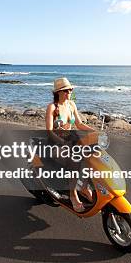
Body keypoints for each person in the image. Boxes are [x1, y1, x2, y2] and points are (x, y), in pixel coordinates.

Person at [45, 77, 97, 212]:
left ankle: (84, 187)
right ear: (58, 92)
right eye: (66, 90)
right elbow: (50, 131)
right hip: (56, 144)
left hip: (70, 140)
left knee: (92, 153)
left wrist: (95, 132)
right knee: (75, 160)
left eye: (70, 89)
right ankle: (73, 194)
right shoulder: (52, 107)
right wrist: (62, 143)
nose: (69, 92)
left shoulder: (71, 104)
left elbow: (79, 124)